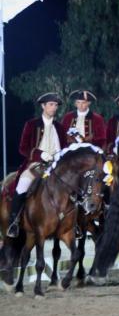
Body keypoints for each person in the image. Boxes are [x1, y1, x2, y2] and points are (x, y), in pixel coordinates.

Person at [6, 93, 69, 238]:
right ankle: (14, 222)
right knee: (22, 185)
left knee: (73, 185)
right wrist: (39, 154)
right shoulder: (31, 124)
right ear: (43, 106)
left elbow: (65, 147)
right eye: (51, 105)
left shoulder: (60, 127)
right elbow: (22, 148)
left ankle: (74, 223)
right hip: (35, 165)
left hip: (56, 166)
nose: (54, 108)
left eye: (55, 105)